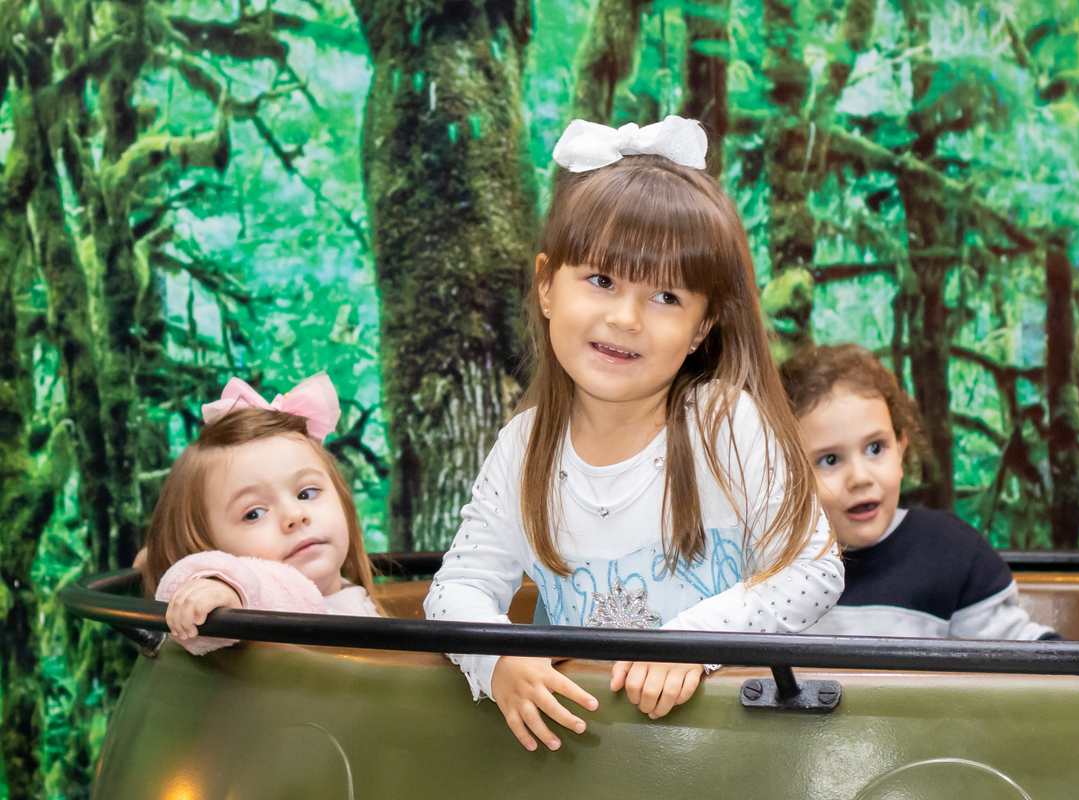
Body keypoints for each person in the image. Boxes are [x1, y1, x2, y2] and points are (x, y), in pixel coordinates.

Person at [424, 116, 844, 752]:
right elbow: (457, 589)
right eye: (601, 281)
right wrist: (497, 660)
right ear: (546, 285)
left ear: (702, 327)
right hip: (582, 758)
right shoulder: (522, 447)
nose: (624, 318)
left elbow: (812, 572)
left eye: (666, 297)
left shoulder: (726, 425)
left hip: (727, 755)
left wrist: (693, 640)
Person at [780, 343, 1079, 643]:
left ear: (901, 448)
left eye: (875, 448)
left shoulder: (951, 553)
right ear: (789, 471)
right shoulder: (774, 565)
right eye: (830, 460)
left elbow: (1025, 658)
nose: (860, 477)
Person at [143, 373, 382, 655]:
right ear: (205, 546)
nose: (295, 515)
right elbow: (247, 585)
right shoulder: (262, 601)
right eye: (254, 513)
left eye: (307, 493)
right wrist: (219, 595)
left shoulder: (349, 593)